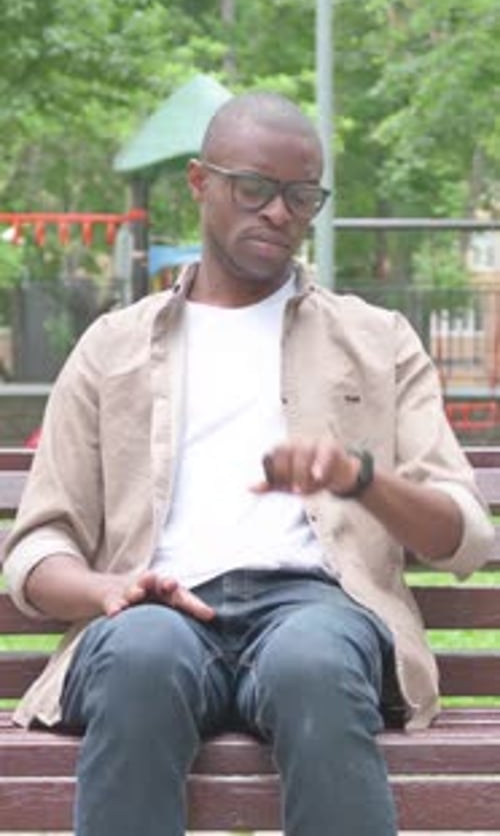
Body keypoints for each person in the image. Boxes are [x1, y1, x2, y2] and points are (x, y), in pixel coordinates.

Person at [2, 91, 494, 836]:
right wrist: (109, 588)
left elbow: (464, 535)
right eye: (255, 189)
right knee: (140, 656)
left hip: (313, 607)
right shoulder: (113, 347)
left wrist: (358, 476)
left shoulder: (377, 338)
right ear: (201, 183)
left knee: (315, 664)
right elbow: (37, 546)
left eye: (302, 196)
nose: (279, 213)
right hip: (157, 608)